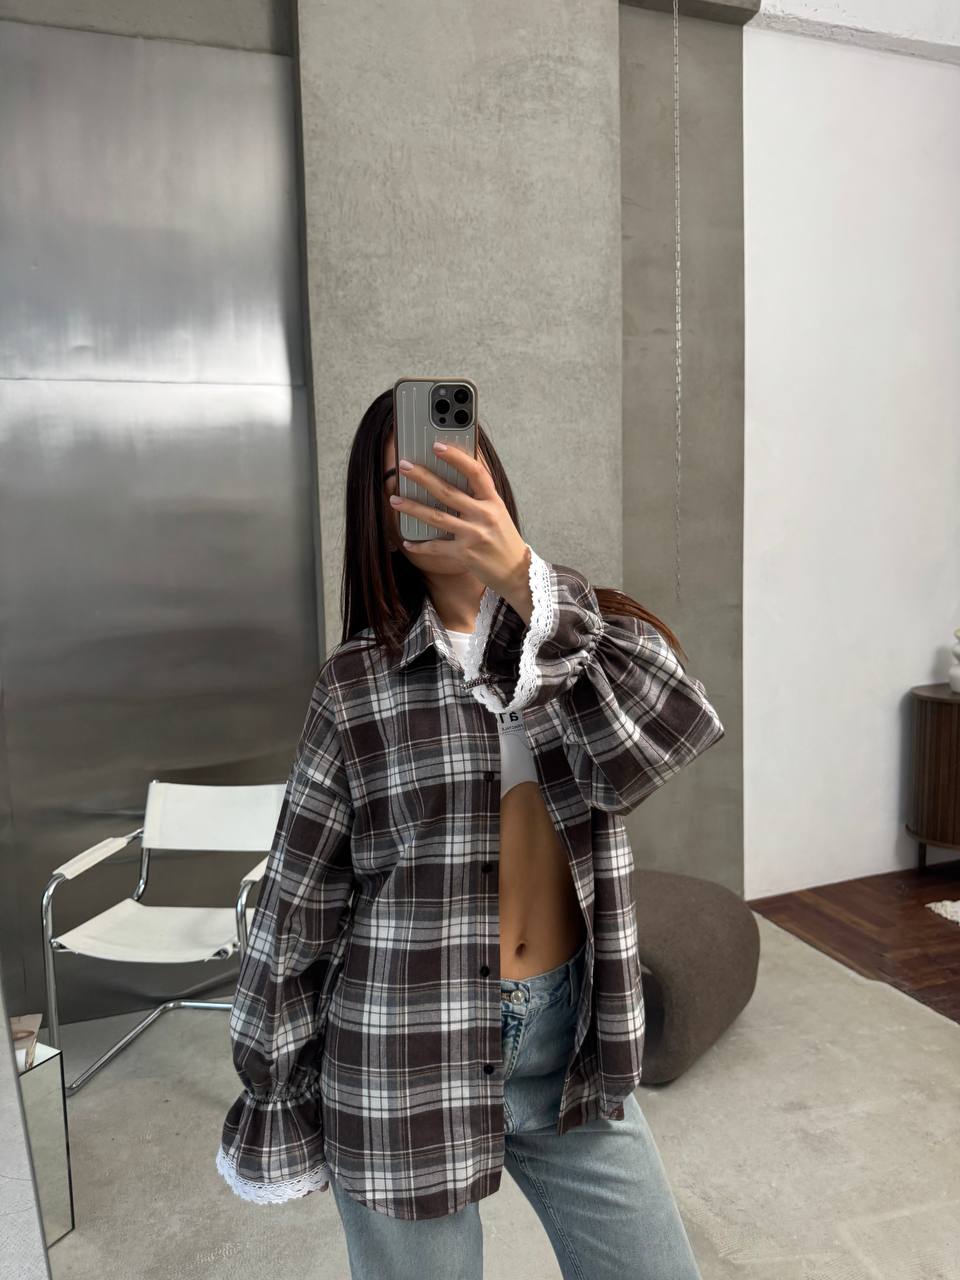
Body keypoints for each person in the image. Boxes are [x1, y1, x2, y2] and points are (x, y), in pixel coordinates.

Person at [215, 388, 725, 1279]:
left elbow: (677, 726)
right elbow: (297, 907)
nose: (431, 490)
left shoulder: (582, 638)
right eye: (400, 482)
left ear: (489, 476)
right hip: (403, 1049)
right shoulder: (355, 684)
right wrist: (276, 1087)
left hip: (565, 1043)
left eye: (453, 463)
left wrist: (522, 573)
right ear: (377, 519)